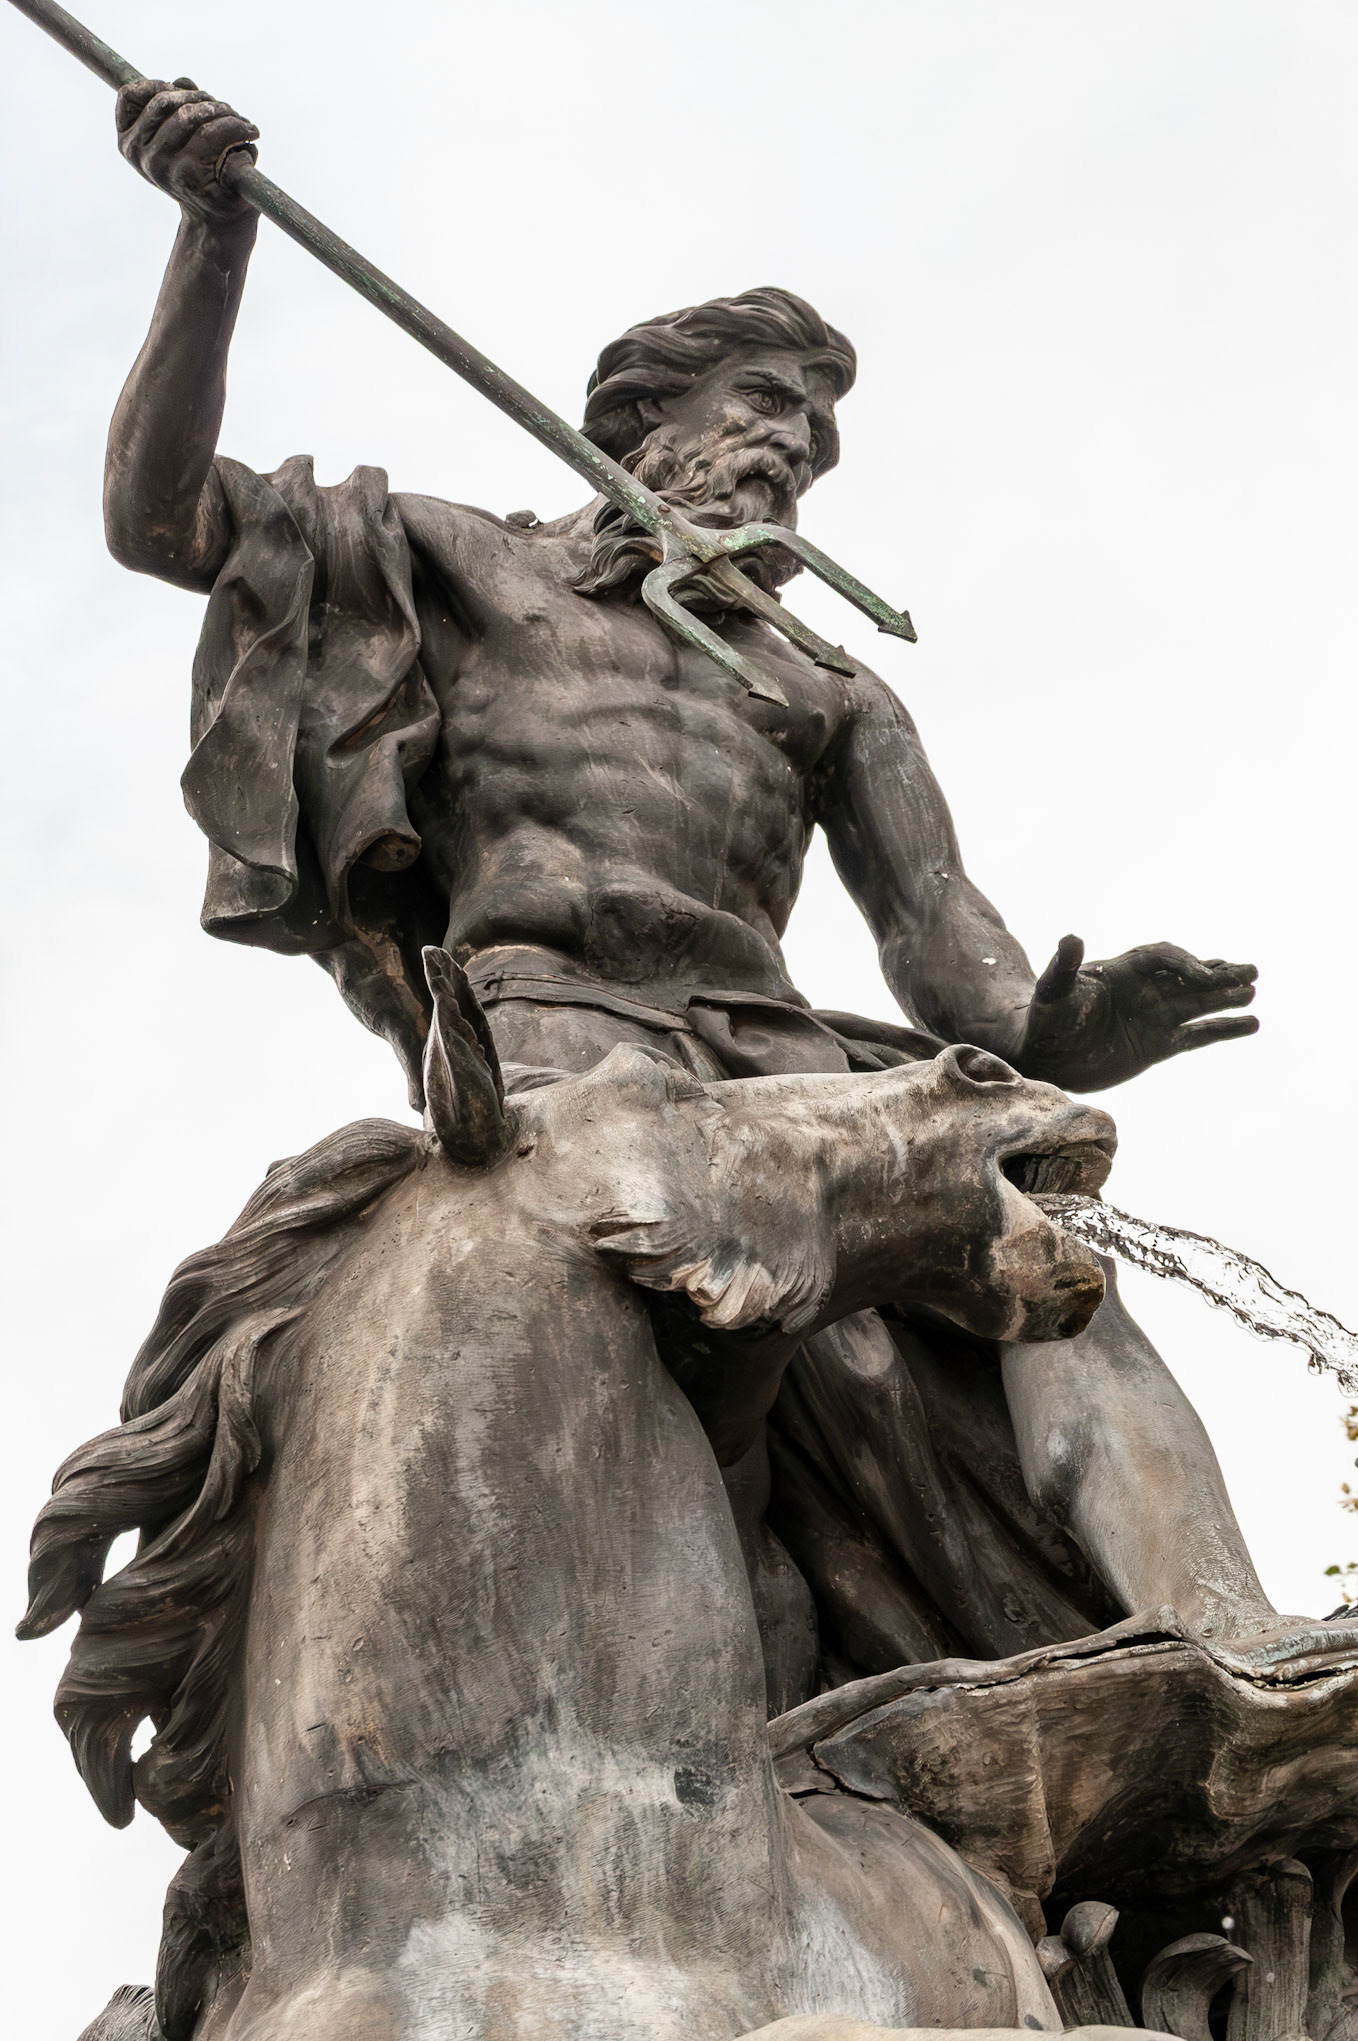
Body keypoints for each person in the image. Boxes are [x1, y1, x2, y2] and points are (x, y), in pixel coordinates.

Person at [102, 76, 1284, 1705]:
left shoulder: (827, 689)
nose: (793, 444)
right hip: (555, 1042)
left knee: (1050, 1279)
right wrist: (211, 245)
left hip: (784, 1064)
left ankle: (1232, 1638)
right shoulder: (452, 563)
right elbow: (157, 520)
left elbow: (951, 945)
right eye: (764, 401)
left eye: (814, 430)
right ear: (639, 420)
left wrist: (1059, 1026)